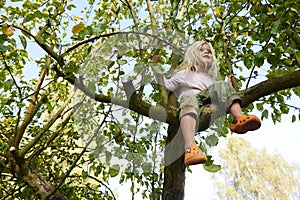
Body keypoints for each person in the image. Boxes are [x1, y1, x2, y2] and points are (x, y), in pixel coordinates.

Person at [163, 41, 261, 166]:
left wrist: (227, 86)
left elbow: (221, 92)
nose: (206, 53)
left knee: (221, 85)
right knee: (189, 98)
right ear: (193, 55)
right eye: (202, 50)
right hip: (192, 106)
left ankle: (239, 118)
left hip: (207, 106)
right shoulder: (183, 73)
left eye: (209, 51)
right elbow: (167, 85)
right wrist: (154, 69)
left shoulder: (210, 79)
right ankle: (190, 147)